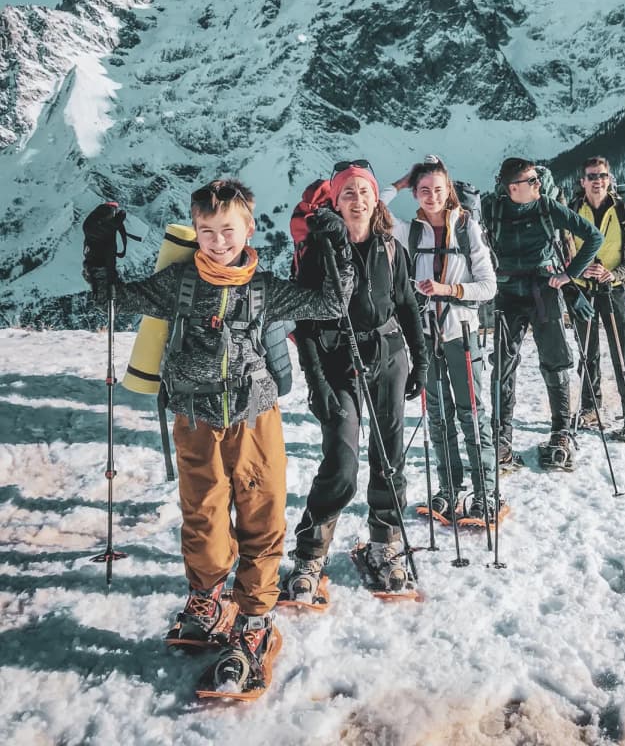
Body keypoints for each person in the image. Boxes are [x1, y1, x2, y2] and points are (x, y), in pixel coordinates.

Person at [81, 179, 353, 697]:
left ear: (248, 228)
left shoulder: (265, 288)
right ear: (196, 230)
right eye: (206, 230)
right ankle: (207, 597)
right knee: (202, 511)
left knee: (262, 512)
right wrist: (98, 247)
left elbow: (331, 302)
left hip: (255, 418)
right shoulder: (179, 283)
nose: (217, 240)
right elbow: (111, 298)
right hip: (194, 417)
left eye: (227, 230)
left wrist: (335, 244)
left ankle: (253, 620)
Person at [283, 159, 429, 601]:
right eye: (348, 193)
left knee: (389, 457)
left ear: (374, 200)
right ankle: (310, 552)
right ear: (337, 201)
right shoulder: (319, 254)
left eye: (364, 191)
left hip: (388, 357)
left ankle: (384, 544)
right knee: (341, 461)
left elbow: (408, 308)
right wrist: (318, 383)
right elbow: (305, 324)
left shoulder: (391, 249)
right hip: (337, 363)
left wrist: (419, 361)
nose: (358, 199)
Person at [391, 156, 499, 522]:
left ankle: (486, 493)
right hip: (426, 335)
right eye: (424, 190)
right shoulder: (411, 232)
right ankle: (449, 488)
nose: (431, 196)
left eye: (438, 189)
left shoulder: (467, 229)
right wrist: (401, 183)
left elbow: (488, 286)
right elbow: (372, 209)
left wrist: (447, 289)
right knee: (437, 416)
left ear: (449, 190)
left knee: (471, 414)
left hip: (461, 332)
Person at [488, 157, 602, 469]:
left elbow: (594, 237)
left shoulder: (546, 206)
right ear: (513, 188)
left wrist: (569, 276)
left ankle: (561, 432)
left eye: (537, 180)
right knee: (503, 364)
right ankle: (501, 437)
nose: (538, 185)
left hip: (543, 291)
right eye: (531, 181)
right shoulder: (492, 208)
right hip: (508, 293)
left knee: (555, 362)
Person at [568, 156, 625, 442]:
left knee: (621, 354)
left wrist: (613, 274)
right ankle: (590, 407)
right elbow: (565, 250)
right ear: (583, 181)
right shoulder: (573, 211)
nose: (597, 180)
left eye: (602, 175)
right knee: (587, 353)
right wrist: (577, 270)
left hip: (613, 289)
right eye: (591, 176)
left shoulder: (624, 211)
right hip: (582, 290)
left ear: (609, 179)